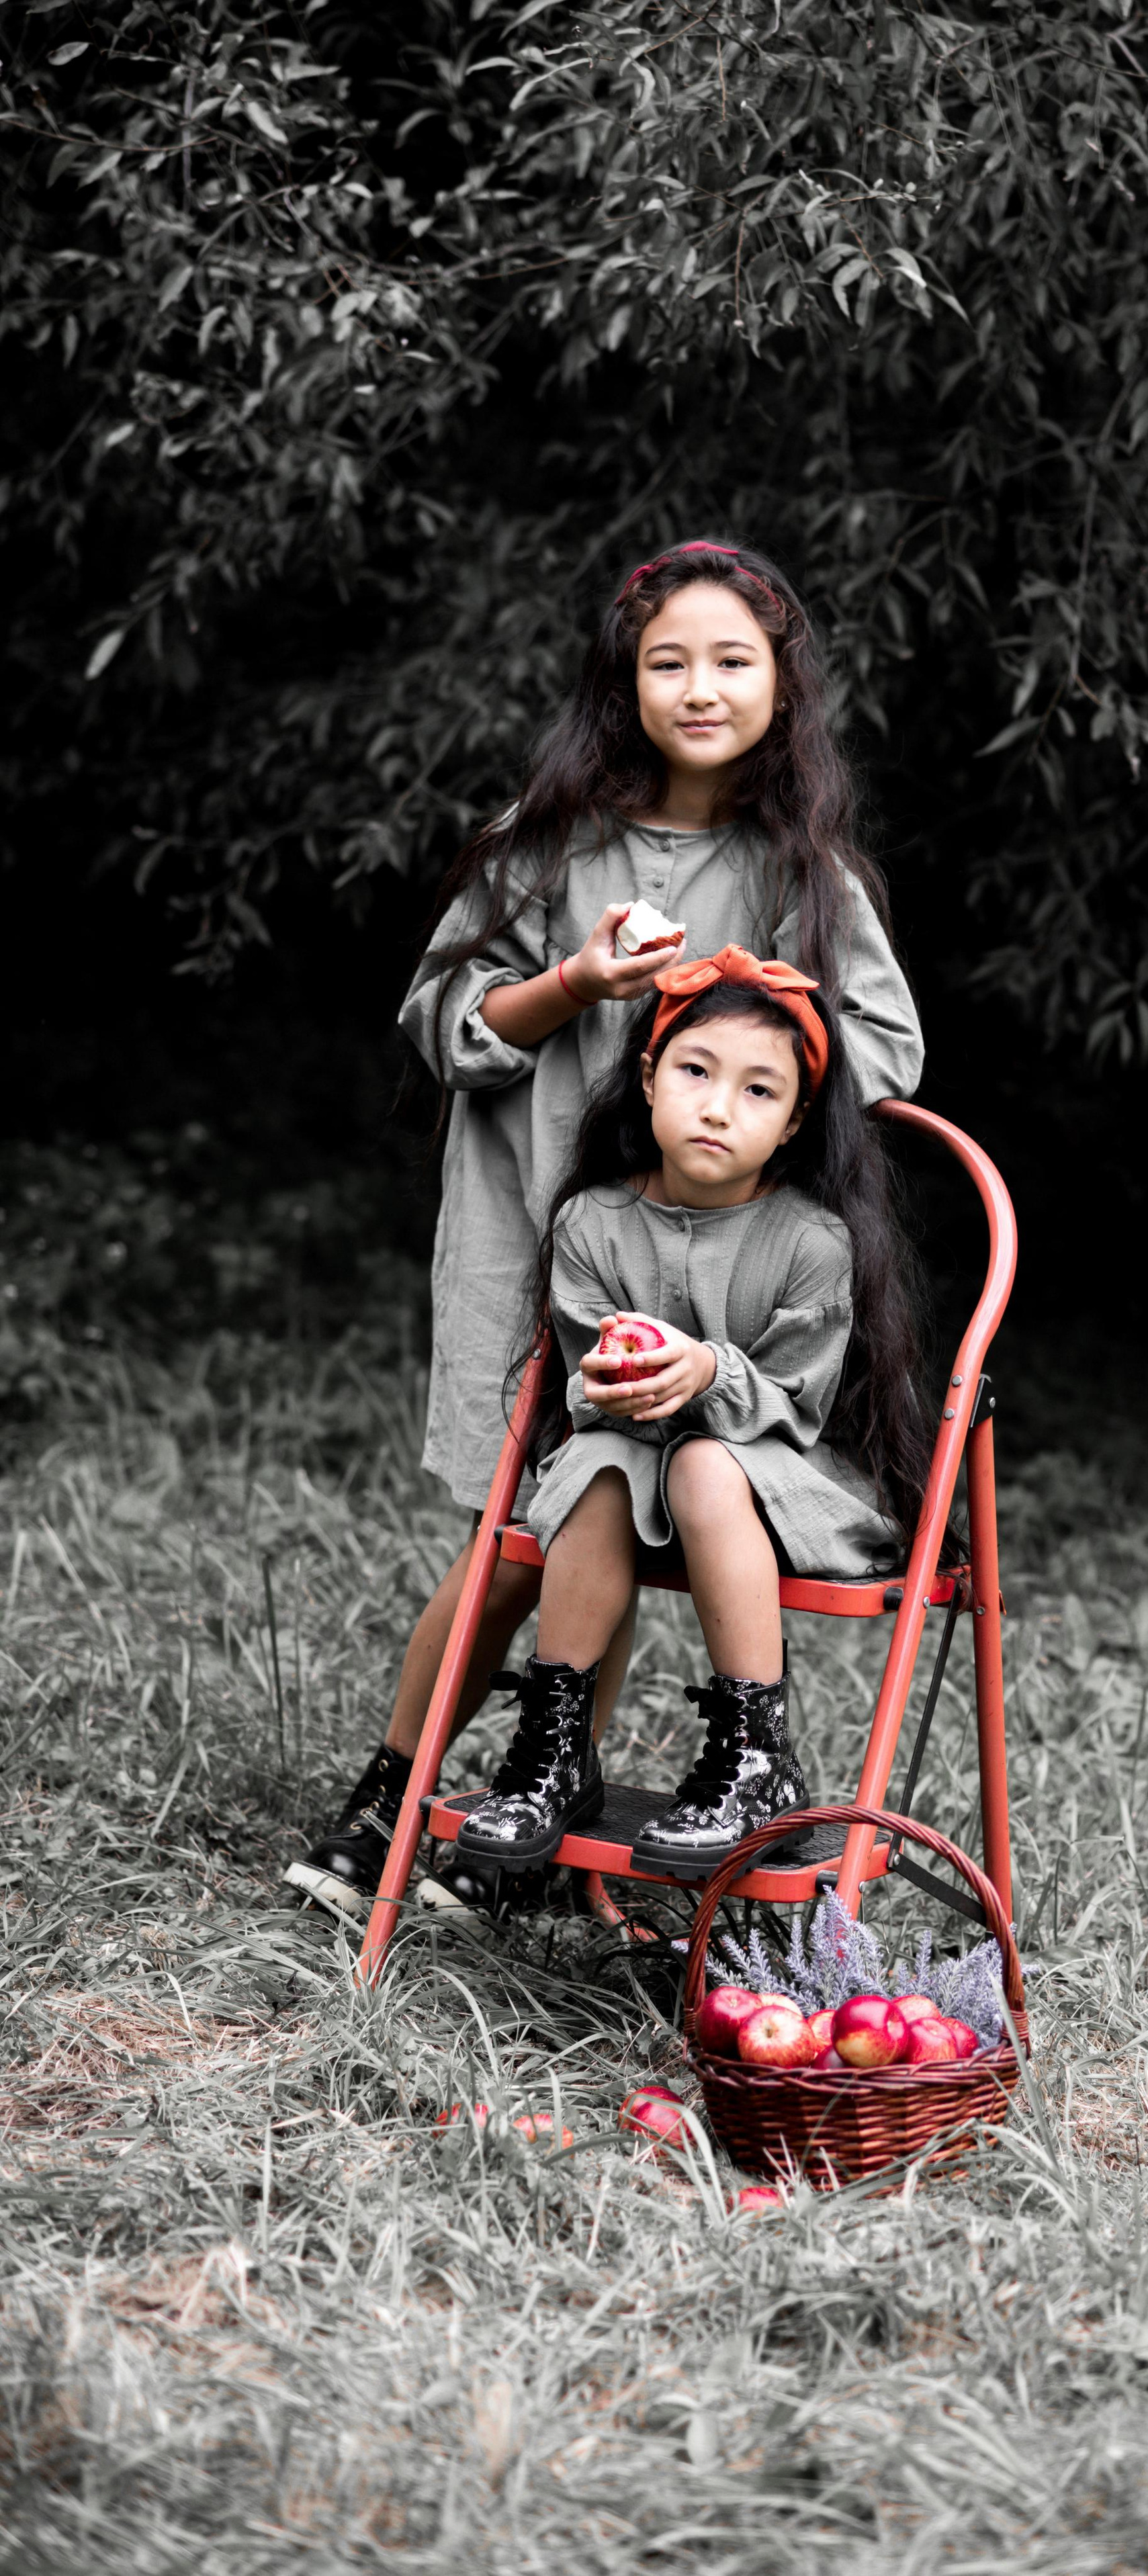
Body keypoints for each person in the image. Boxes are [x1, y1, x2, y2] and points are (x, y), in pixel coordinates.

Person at [285, 541, 922, 1924]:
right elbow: (443, 1022)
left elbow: (883, 1058)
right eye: (667, 661)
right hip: (532, 1236)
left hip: (714, 1267)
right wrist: (576, 979)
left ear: (782, 687)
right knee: (514, 1532)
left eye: (731, 659)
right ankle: (390, 1807)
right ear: (621, 685)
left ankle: (526, 1814)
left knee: (614, 1505)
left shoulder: (799, 873)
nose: (699, 687)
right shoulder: (550, 845)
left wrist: (751, 1008)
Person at [452, 944, 932, 1879]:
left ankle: (755, 1759)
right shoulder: (592, 1221)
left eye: (760, 1091)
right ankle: (555, 1751)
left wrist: (709, 1372)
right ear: (648, 1078)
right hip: (632, 1466)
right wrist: (630, 1382)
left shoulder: (811, 1241)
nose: (718, 1107)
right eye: (697, 1072)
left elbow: (795, 1405)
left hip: (782, 1479)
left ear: (795, 1122)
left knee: (706, 1461)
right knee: (594, 1463)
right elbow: (591, 1386)